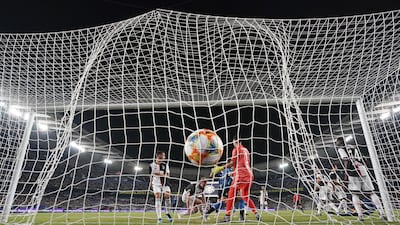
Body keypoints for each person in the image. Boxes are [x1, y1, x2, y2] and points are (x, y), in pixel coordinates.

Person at [211, 136, 261, 223]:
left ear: (235, 142)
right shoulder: (246, 150)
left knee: (231, 195)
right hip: (249, 175)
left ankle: (227, 216)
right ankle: (256, 213)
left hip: (241, 176)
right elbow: (242, 164)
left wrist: (221, 168)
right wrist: (234, 173)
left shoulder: (236, 149)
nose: (233, 144)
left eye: (233, 142)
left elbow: (233, 163)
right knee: (245, 196)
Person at [335, 137, 386, 221]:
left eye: (336, 143)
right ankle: (382, 213)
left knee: (355, 194)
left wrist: (346, 173)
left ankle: (360, 215)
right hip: (362, 169)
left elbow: (346, 160)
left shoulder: (341, 149)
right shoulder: (353, 146)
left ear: (339, 143)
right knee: (371, 193)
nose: (336, 145)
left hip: (353, 171)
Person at [149, 151, 173, 223]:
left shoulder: (165, 165)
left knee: (167, 195)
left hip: (165, 184)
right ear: (159, 156)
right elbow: (151, 175)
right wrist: (150, 184)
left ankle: (167, 213)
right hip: (156, 184)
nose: (164, 157)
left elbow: (168, 175)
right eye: (163, 155)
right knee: (158, 196)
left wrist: (158, 174)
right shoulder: (151, 165)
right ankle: (159, 217)